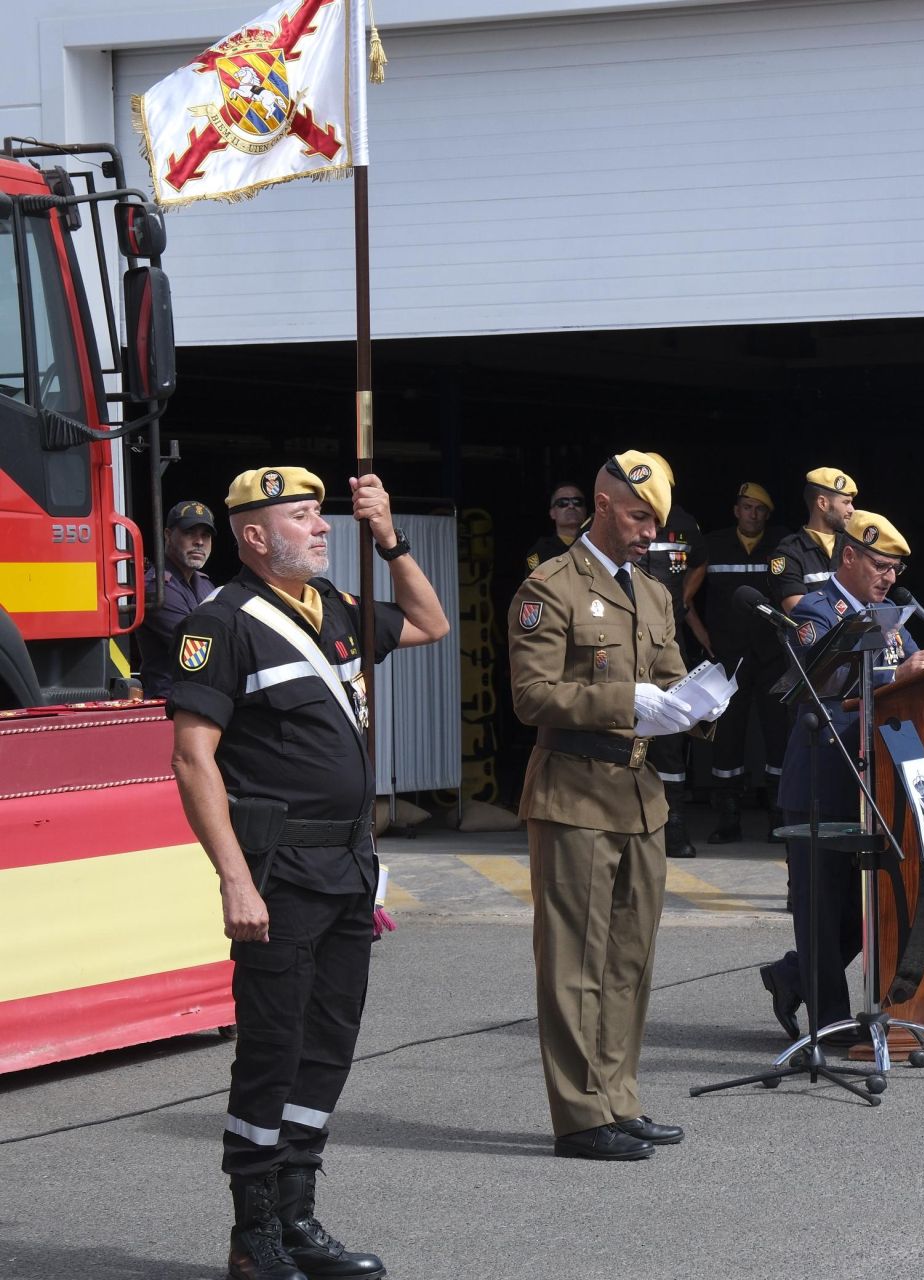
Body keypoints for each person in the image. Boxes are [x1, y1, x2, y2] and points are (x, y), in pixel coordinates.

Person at [168, 465, 449, 1280]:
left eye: (323, 515)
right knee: (272, 1046)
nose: (322, 527)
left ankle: (298, 1216)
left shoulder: (339, 612)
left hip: (349, 864)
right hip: (280, 868)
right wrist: (233, 877)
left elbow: (430, 622)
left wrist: (389, 536)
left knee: (327, 1044)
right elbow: (193, 759)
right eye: (301, 517)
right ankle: (252, 1231)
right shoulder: (224, 624)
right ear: (253, 537)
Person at [508, 450, 722, 1161]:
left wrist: (699, 704)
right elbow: (532, 696)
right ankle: (579, 1116)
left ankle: (618, 1098)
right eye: (637, 516)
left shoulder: (654, 592)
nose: (647, 530)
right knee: (574, 962)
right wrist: (622, 700)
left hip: (638, 794)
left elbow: (668, 678)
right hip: (571, 789)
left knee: (629, 959)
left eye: (655, 519)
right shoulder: (551, 586)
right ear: (600, 507)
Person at [759, 510, 924, 1038]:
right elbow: (825, 677)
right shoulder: (818, 611)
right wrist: (898, 674)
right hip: (824, 777)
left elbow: (913, 672)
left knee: (871, 909)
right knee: (823, 910)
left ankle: (792, 976)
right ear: (849, 557)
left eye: (896, 570)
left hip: (878, 781)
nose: (888, 579)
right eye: (881, 566)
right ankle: (833, 1026)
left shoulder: (890, 617)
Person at [698, 481, 791, 843]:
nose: (753, 514)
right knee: (727, 738)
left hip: (771, 656)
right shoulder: (713, 543)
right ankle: (727, 819)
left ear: (768, 515)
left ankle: (778, 816)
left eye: (760, 509)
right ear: (736, 510)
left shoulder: (782, 545)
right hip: (729, 657)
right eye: (747, 507)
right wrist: (703, 636)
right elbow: (686, 594)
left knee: (777, 735)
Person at [640, 470, 709, 858]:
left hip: (668, 638)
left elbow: (701, 562)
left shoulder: (684, 524)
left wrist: (682, 601)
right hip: (622, 639)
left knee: (669, 733)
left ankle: (673, 823)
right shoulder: (614, 522)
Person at [136, 498, 219, 700]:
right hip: (168, 703)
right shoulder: (157, 587)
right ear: (168, 535)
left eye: (205, 535)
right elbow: (200, 647)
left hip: (201, 696)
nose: (199, 542)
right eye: (189, 533)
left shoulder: (205, 584)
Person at [769, 466, 857, 611]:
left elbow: (868, 601)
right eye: (846, 502)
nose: (852, 509)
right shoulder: (788, 553)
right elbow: (799, 614)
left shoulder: (852, 547)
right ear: (822, 503)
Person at [525, 482, 587, 572]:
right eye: (563, 503)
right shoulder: (540, 551)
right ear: (552, 513)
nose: (571, 506)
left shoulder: (597, 545)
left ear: (585, 509)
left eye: (577, 502)